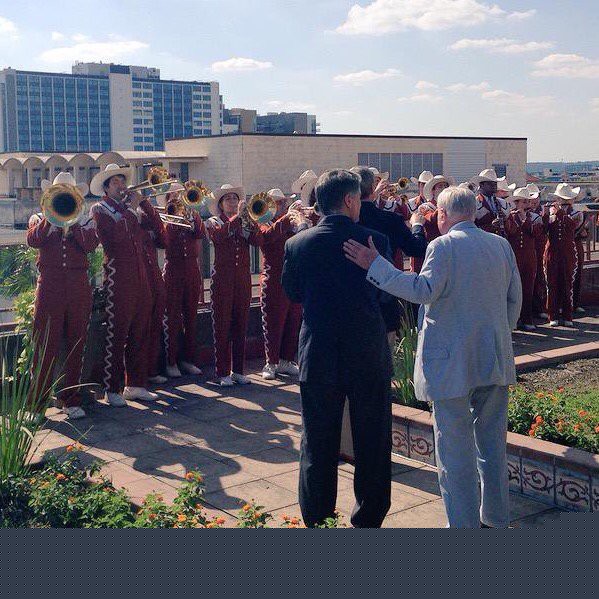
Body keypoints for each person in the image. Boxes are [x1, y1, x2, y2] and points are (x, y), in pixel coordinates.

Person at [344, 186, 522, 529]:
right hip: (494, 356)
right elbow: (515, 298)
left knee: (455, 453)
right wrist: (499, 333)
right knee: (492, 445)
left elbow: (422, 291)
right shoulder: (499, 245)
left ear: (442, 215)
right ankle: (496, 518)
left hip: (451, 364)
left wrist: (376, 265)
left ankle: (463, 525)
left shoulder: (443, 245)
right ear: (473, 212)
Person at [282, 169, 393, 528]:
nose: (360, 205)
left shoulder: (298, 243)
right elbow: (385, 291)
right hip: (366, 354)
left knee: (317, 443)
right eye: (358, 199)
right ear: (348, 200)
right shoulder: (375, 239)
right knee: (372, 440)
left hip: (319, 354)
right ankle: (368, 519)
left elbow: (293, 292)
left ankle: (318, 520)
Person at [27, 172, 99, 419]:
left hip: (78, 284)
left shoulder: (85, 219)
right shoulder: (38, 218)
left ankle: (71, 399)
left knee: (76, 341)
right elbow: (33, 240)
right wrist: (51, 218)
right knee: (44, 344)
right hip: (50, 285)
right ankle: (37, 404)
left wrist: (74, 222)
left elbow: (91, 244)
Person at [90, 164, 157, 406]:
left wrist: (145, 204)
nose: (122, 185)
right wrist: (130, 207)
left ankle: (136, 384)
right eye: (115, 182)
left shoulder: (131, 209)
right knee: (117, 334)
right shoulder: (99, 209)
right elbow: (114, 237)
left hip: (140, 276)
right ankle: (112, 388)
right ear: (106, 188)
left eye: (122, 180)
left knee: (141, 329)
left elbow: (159, 232)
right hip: (119, 276)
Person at [350, 166, 427, 342]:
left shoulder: (341, 223)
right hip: (383, 301)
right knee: (385, 363)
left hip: (350, 305)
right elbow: (416, 249)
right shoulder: (390, 220)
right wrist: (417, 225)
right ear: (372, 190)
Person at [205, 184, 262, 386]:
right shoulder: (213, 221)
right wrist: (238, 217)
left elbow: (258, 241)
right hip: (222, 279)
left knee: (241, 324)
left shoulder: (243, 220)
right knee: (222, 326)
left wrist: (250, 220)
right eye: (228, 198)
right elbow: (219, 238)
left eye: (235, 198)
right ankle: (222, 372)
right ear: (220, 204)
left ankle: (239, 370)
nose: (232, 201)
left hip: (242, 280)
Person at [258, 189, 306, 380]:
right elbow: (267, 238)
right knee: (273, 321)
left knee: (293, 320)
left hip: (292, 277)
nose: (281, 206)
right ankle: (271, 362)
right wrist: (286, 218)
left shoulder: (288, 222)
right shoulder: (263, 221)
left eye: (283, 202)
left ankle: (287, 360)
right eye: (277, 203)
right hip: (273, 278)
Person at [163, 185, 206, 378]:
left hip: (191, 269)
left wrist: (192, 217)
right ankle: (171, 361)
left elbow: (198, 241)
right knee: (172, 317)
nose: (179, 198)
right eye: (174, 195)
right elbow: (164, 240)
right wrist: (175, 218)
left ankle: (188, 360)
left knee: (191, 317)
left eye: (181, 194)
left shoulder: (193, 214)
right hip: (173, 268)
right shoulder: (165, 217)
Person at [504, 187, 543, 331]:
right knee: (514, 289)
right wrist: (514, 217)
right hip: (515, 256)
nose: (525, 204)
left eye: (527, 201)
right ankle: (514, 320)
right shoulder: (510, 217)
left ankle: (527, 319)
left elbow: (535, 233)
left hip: (529, 256)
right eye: (522, 201)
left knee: (528, 288)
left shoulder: (534, 217)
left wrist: (524, 219)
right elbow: (510, 232)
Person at [139, 188, 167, 385]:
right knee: (139, 325)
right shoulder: (121, 214)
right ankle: (137, 376)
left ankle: (151, 369)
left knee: (156, 320)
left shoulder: (144, 215)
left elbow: (163, 240)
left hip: (153, 272)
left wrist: (146, 206)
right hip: (136, 274)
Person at [543, 183, 582, 327]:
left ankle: (567, 316)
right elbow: (544, 229)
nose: (565, 202)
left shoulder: (577, 213)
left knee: (567, 284)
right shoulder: (551, 212)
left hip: (568, 252)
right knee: (551, 284)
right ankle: (552, 315)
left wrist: (560, 212)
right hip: (552, 252)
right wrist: (546, 213)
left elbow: (573, 226)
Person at [410, 174, 449, 273]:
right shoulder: (425, 206)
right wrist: (443, 205)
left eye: (445, 186)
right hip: (431, 249)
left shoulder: (450, 206)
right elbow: (431, 219)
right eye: (440, 186)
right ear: (433, 190)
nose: (444, 188)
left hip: (447, 246)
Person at [528, 184, 549, 320]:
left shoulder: (543, 211)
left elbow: (547, 229)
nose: (534, 201)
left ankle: (540, 307)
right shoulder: (524, 212)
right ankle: (531, 308)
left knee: (541, 277)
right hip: (530, 247)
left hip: (541, 246)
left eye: (536, 197)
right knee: (530, 279)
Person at [472, 169, 510, 236]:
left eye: (495, 183)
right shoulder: (474, 203)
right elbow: (471, 227)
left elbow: (509, 227)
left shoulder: (502, 203)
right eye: (490, 183)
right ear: (481, 185)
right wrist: (491, 226)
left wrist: (504, 221)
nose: (494, 185)